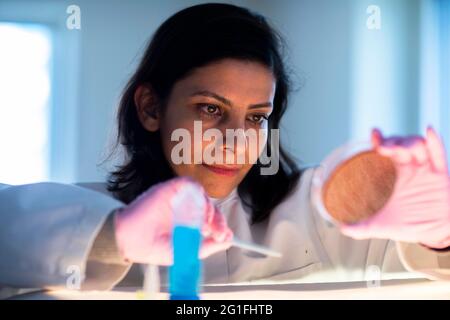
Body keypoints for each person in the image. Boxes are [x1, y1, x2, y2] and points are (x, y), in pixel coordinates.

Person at [1, 3, 449, 299]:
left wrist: (440, 236)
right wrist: (111, 239)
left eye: (256, 117)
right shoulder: (79, 214)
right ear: (151, 107)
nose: (236, 140)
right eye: (210, 108)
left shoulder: (318, 216)